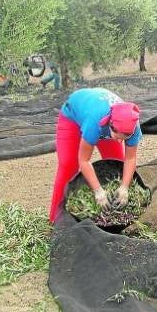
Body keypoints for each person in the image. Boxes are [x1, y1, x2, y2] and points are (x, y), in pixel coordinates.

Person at [49, 88, 142, 222]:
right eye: (117, 136)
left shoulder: (134, 127)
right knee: (68, 164)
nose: (120, 141)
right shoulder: (94, 122)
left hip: (102, 119)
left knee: (116, 165)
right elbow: (84, 160)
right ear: (110, 125)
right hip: (73, 116)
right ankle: (55, 219)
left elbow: (130, 158)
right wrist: (98, 190)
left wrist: (124, 187)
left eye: (124, 138)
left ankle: (116, 214)